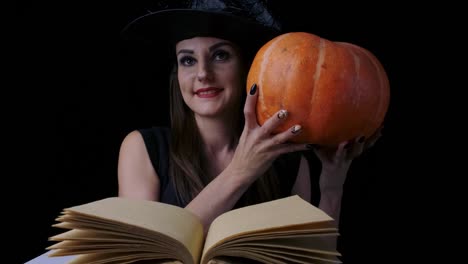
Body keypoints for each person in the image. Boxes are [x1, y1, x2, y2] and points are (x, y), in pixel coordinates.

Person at [117, 0, 382, 238]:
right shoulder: (143, 148)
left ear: (248, 69)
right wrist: (241, 171)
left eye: (220, 55)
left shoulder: (289, 163)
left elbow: (311, 258)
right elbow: (143, 252)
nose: (203, 74)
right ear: (177, 75)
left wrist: (332, 186)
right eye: (188, 60)